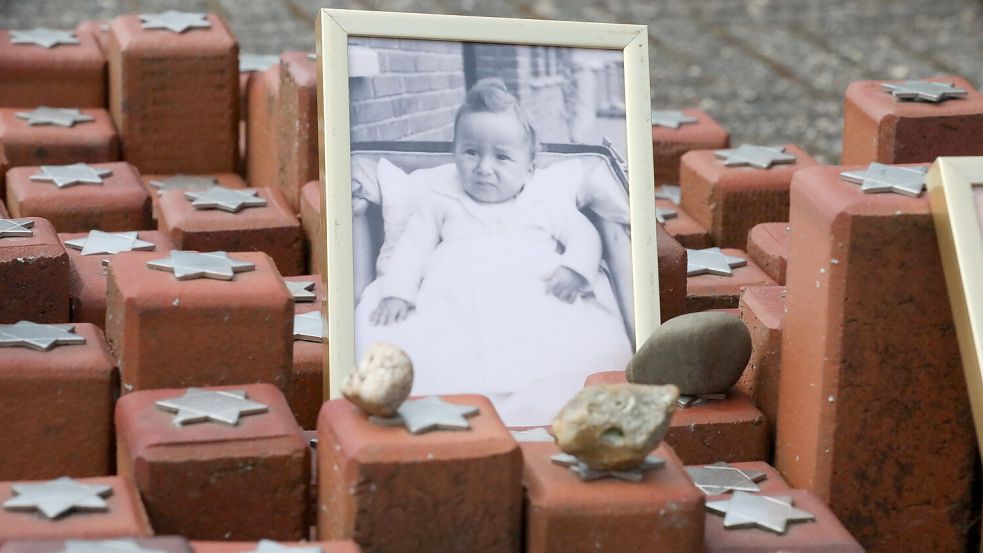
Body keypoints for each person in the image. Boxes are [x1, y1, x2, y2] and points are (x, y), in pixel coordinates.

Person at [355, 77, 632, 426]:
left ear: (529, 166)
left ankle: (546, 407)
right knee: (431, 346)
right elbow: (412, 248)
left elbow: (585, 234)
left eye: (502, 157)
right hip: (458, 293)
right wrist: (398, 293)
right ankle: (461, 406)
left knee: (571, 340)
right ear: (455, 151)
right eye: (471, 152)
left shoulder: (545, 197)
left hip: (533, 290)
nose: (484, 167)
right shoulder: (440, 197)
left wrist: (576, 269)